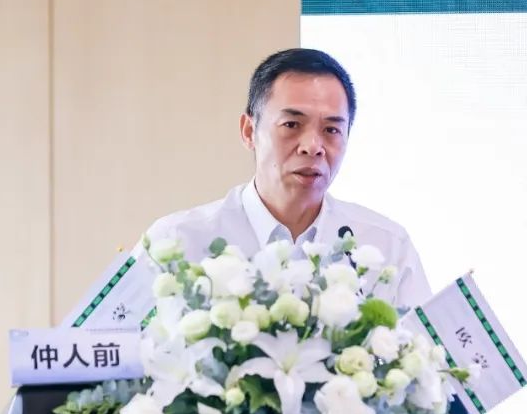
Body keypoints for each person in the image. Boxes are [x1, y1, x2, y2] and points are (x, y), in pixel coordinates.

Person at [143, 48, 432, 310]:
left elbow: (425, 350)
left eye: (331, 130)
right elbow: (121, 342)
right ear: (249, 131)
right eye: (291, 124)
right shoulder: (175, 243)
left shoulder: (386, 248)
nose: (313, 147)